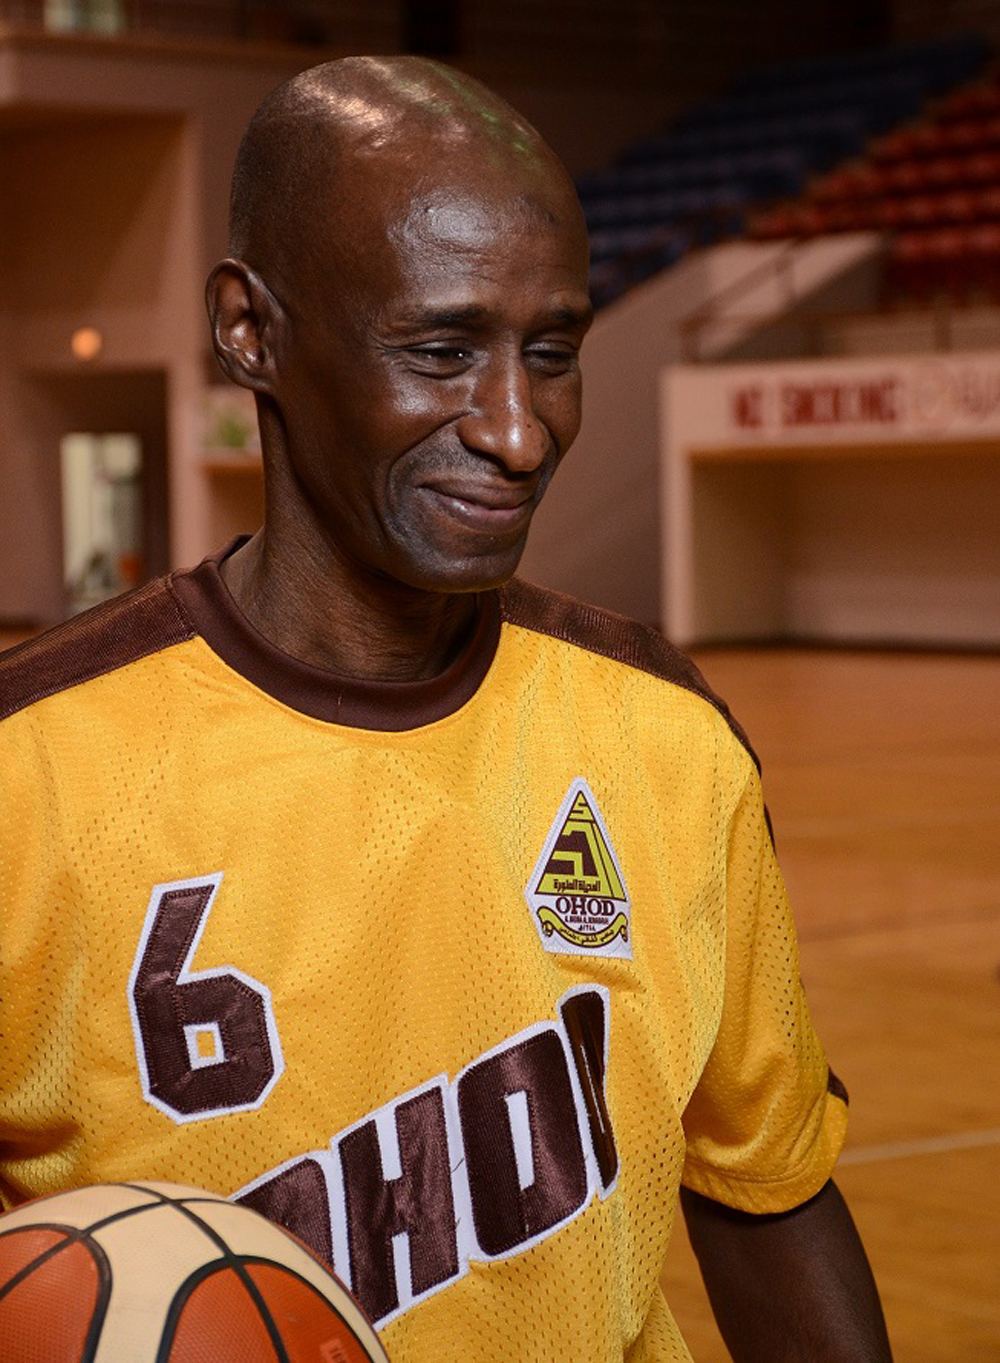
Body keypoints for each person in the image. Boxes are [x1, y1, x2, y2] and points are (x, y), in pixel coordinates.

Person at [0, 56, 891, 1361]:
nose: (519, 432)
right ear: (251, 331)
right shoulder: (28, 768)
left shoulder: (666, 738)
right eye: (440, 352)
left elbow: (769, 1192)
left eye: (554, 353)